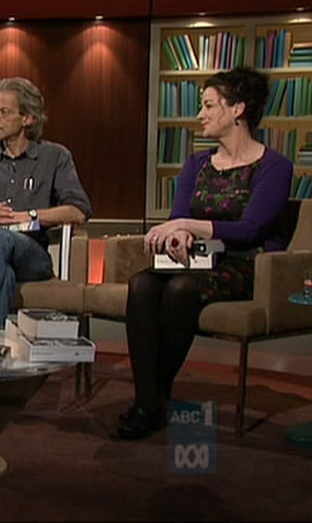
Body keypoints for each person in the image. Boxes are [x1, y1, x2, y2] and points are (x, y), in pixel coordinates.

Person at [118, 66, 293, 440]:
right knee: (142, 285)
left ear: (237, 109)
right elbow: (178, 217)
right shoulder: (197, 163)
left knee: (181, 289)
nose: (201, 115)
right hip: (196, 260)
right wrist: (178, 234)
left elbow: (249, 230)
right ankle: (148, 400)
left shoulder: (274, 166)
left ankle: (150, 401)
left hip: (245, 264)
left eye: (210, 105)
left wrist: (187, 225)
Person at [0, 77, 92, 326]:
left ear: (28, 118)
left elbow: (79, 210)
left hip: (29, 252)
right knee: (0, 266)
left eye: (4, 112)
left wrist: (27, 216)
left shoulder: (55, 156)